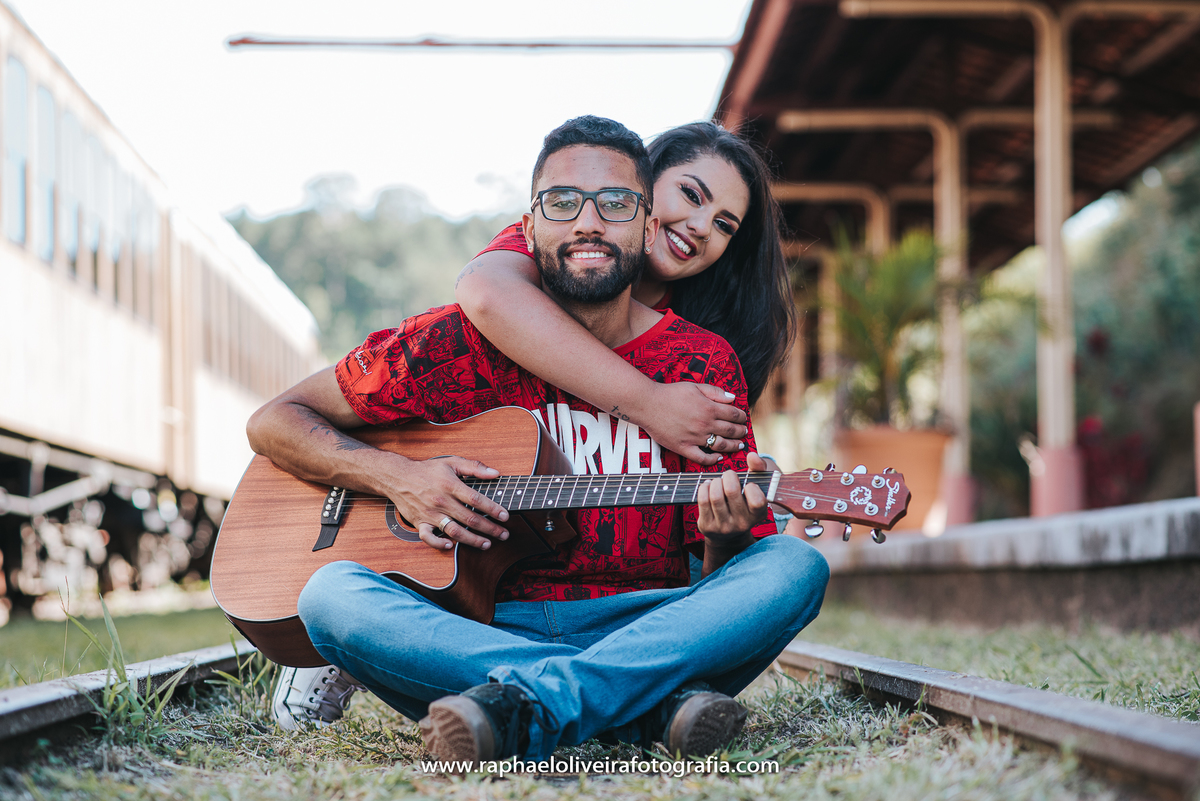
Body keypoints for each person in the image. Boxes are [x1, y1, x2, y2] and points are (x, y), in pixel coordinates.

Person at [251, 116, 829, 762]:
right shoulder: (458, 341)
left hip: (643, 621)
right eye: (564, 204)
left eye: (614, 205)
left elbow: (717, 584)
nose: (588, 222)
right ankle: (646, 707)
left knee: (794, 565)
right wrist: (396, 478)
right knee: (329, 597)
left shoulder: (702, 368)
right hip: (485, 624)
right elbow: (273, 421)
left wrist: (724, 533)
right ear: (527, 228)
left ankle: (522, 705)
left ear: (643, 225)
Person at [455, 121, 796, 468]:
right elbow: (485, 294)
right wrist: (651, 404)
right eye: (691, 195)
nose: (703, 227)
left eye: (724, 225)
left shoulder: (703, 348)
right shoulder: (567, 235)